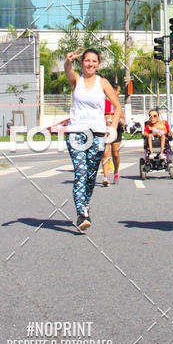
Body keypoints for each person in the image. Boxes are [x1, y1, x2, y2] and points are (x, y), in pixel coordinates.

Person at [64, 48, 121, 231]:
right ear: (82, 63)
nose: (90, 64)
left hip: (97, 134)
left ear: (98, 64)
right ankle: (81, 214)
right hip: (76, 132)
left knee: (90, 175)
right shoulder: (76, 80)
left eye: (94, 61)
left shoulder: (102, 82)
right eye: (87, 61)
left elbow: (117, 107)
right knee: (80, 171)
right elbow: (68, 70)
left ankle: (85, 205)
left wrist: (112, 128)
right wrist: (68, 61)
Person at [100, 82, 125, 185]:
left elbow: (122, 117)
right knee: (105, 153)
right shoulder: (102, 102)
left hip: (116, 129)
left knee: (115, 153)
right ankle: (106, 177)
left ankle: (116, 171)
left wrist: (122, 121)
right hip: (104, 129)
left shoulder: (117, 103)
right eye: (118, 91)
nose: (118, 93)